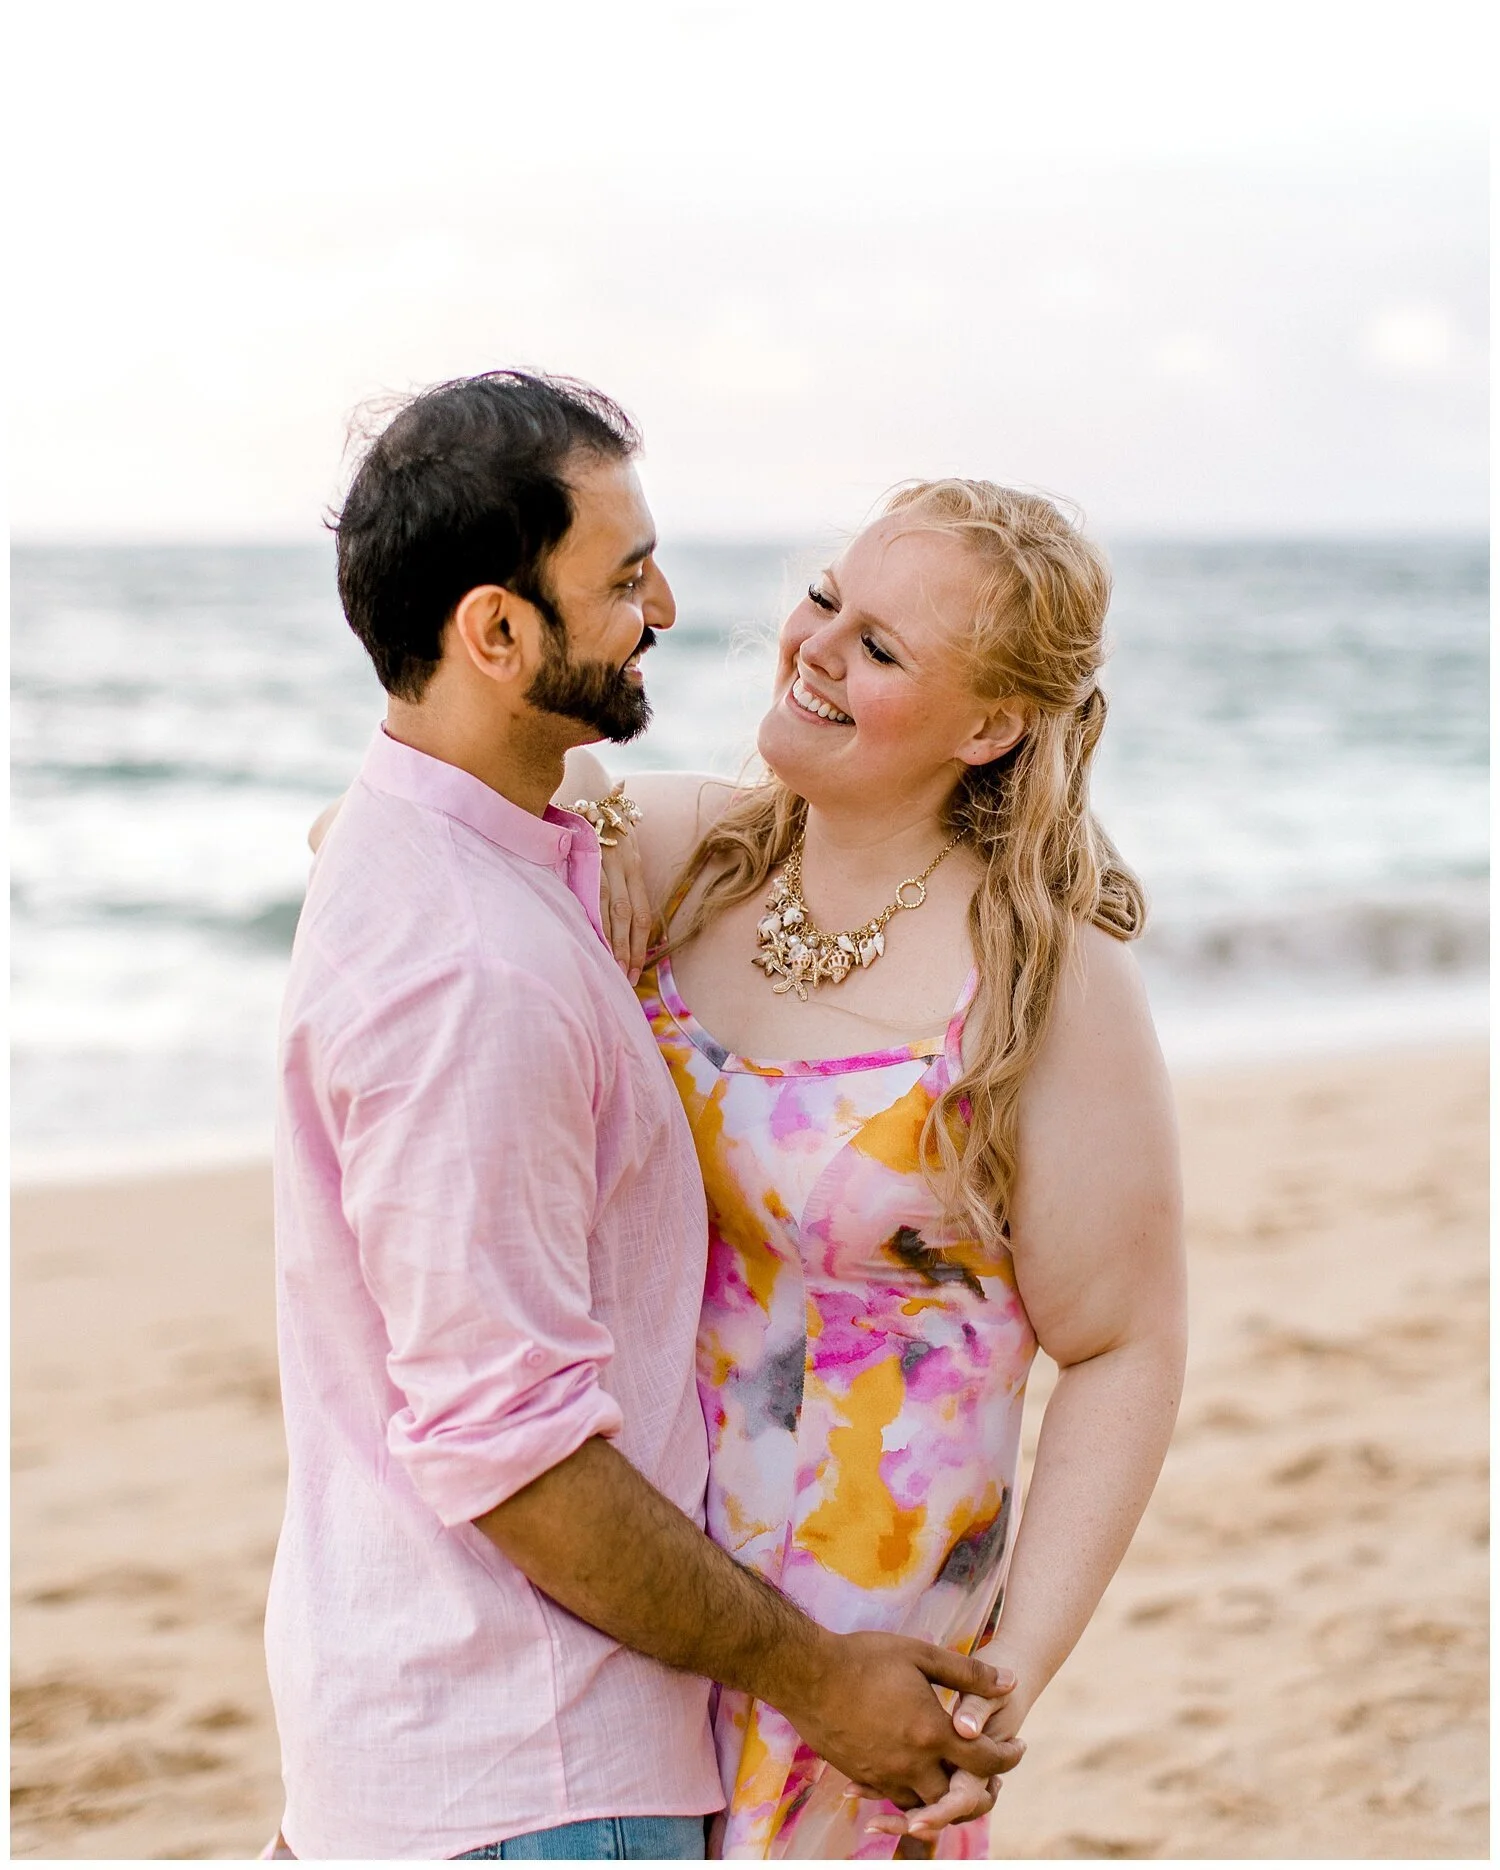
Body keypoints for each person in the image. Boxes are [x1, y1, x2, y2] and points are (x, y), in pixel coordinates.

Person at [267, 371, 1017, 1862]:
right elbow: (517, 1456)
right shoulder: (468, 973)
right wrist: (821, 1681)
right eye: (622, 577)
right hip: (531, 1779)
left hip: (449, 1748)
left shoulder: (481, 860)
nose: (667, 602)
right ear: (498, 632)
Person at [560, 476, 1187, 1857]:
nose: (816, 646)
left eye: (882, 647)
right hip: (624, 1609)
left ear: (992, 725)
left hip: (859, 1673)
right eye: (828, 598)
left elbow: (1125, 1342)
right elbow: (424, 837)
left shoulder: (1041, 980)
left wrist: (1009, 1673)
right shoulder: (683, 864)